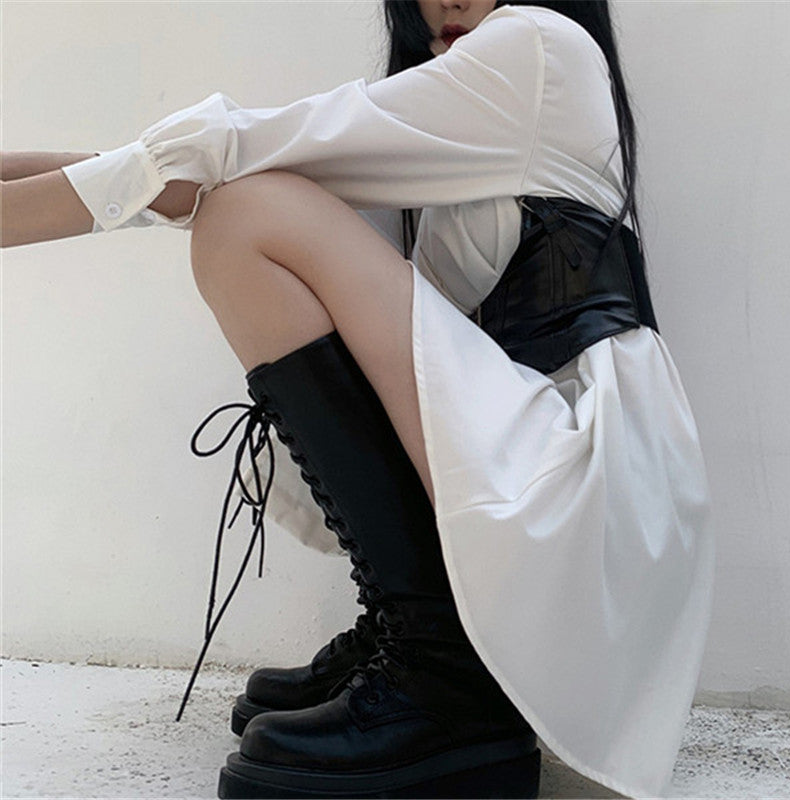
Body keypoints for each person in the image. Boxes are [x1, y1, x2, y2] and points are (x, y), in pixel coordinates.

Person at [1, 0, 715, 797]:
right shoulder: (461, 136)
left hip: (589, 504)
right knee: (247, 205)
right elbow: (209, 176)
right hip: (565, 505)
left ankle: (447, 675)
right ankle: (426, 634)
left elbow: (239, 158)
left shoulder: (540, 46)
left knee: (248, 215)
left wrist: (34, 208)